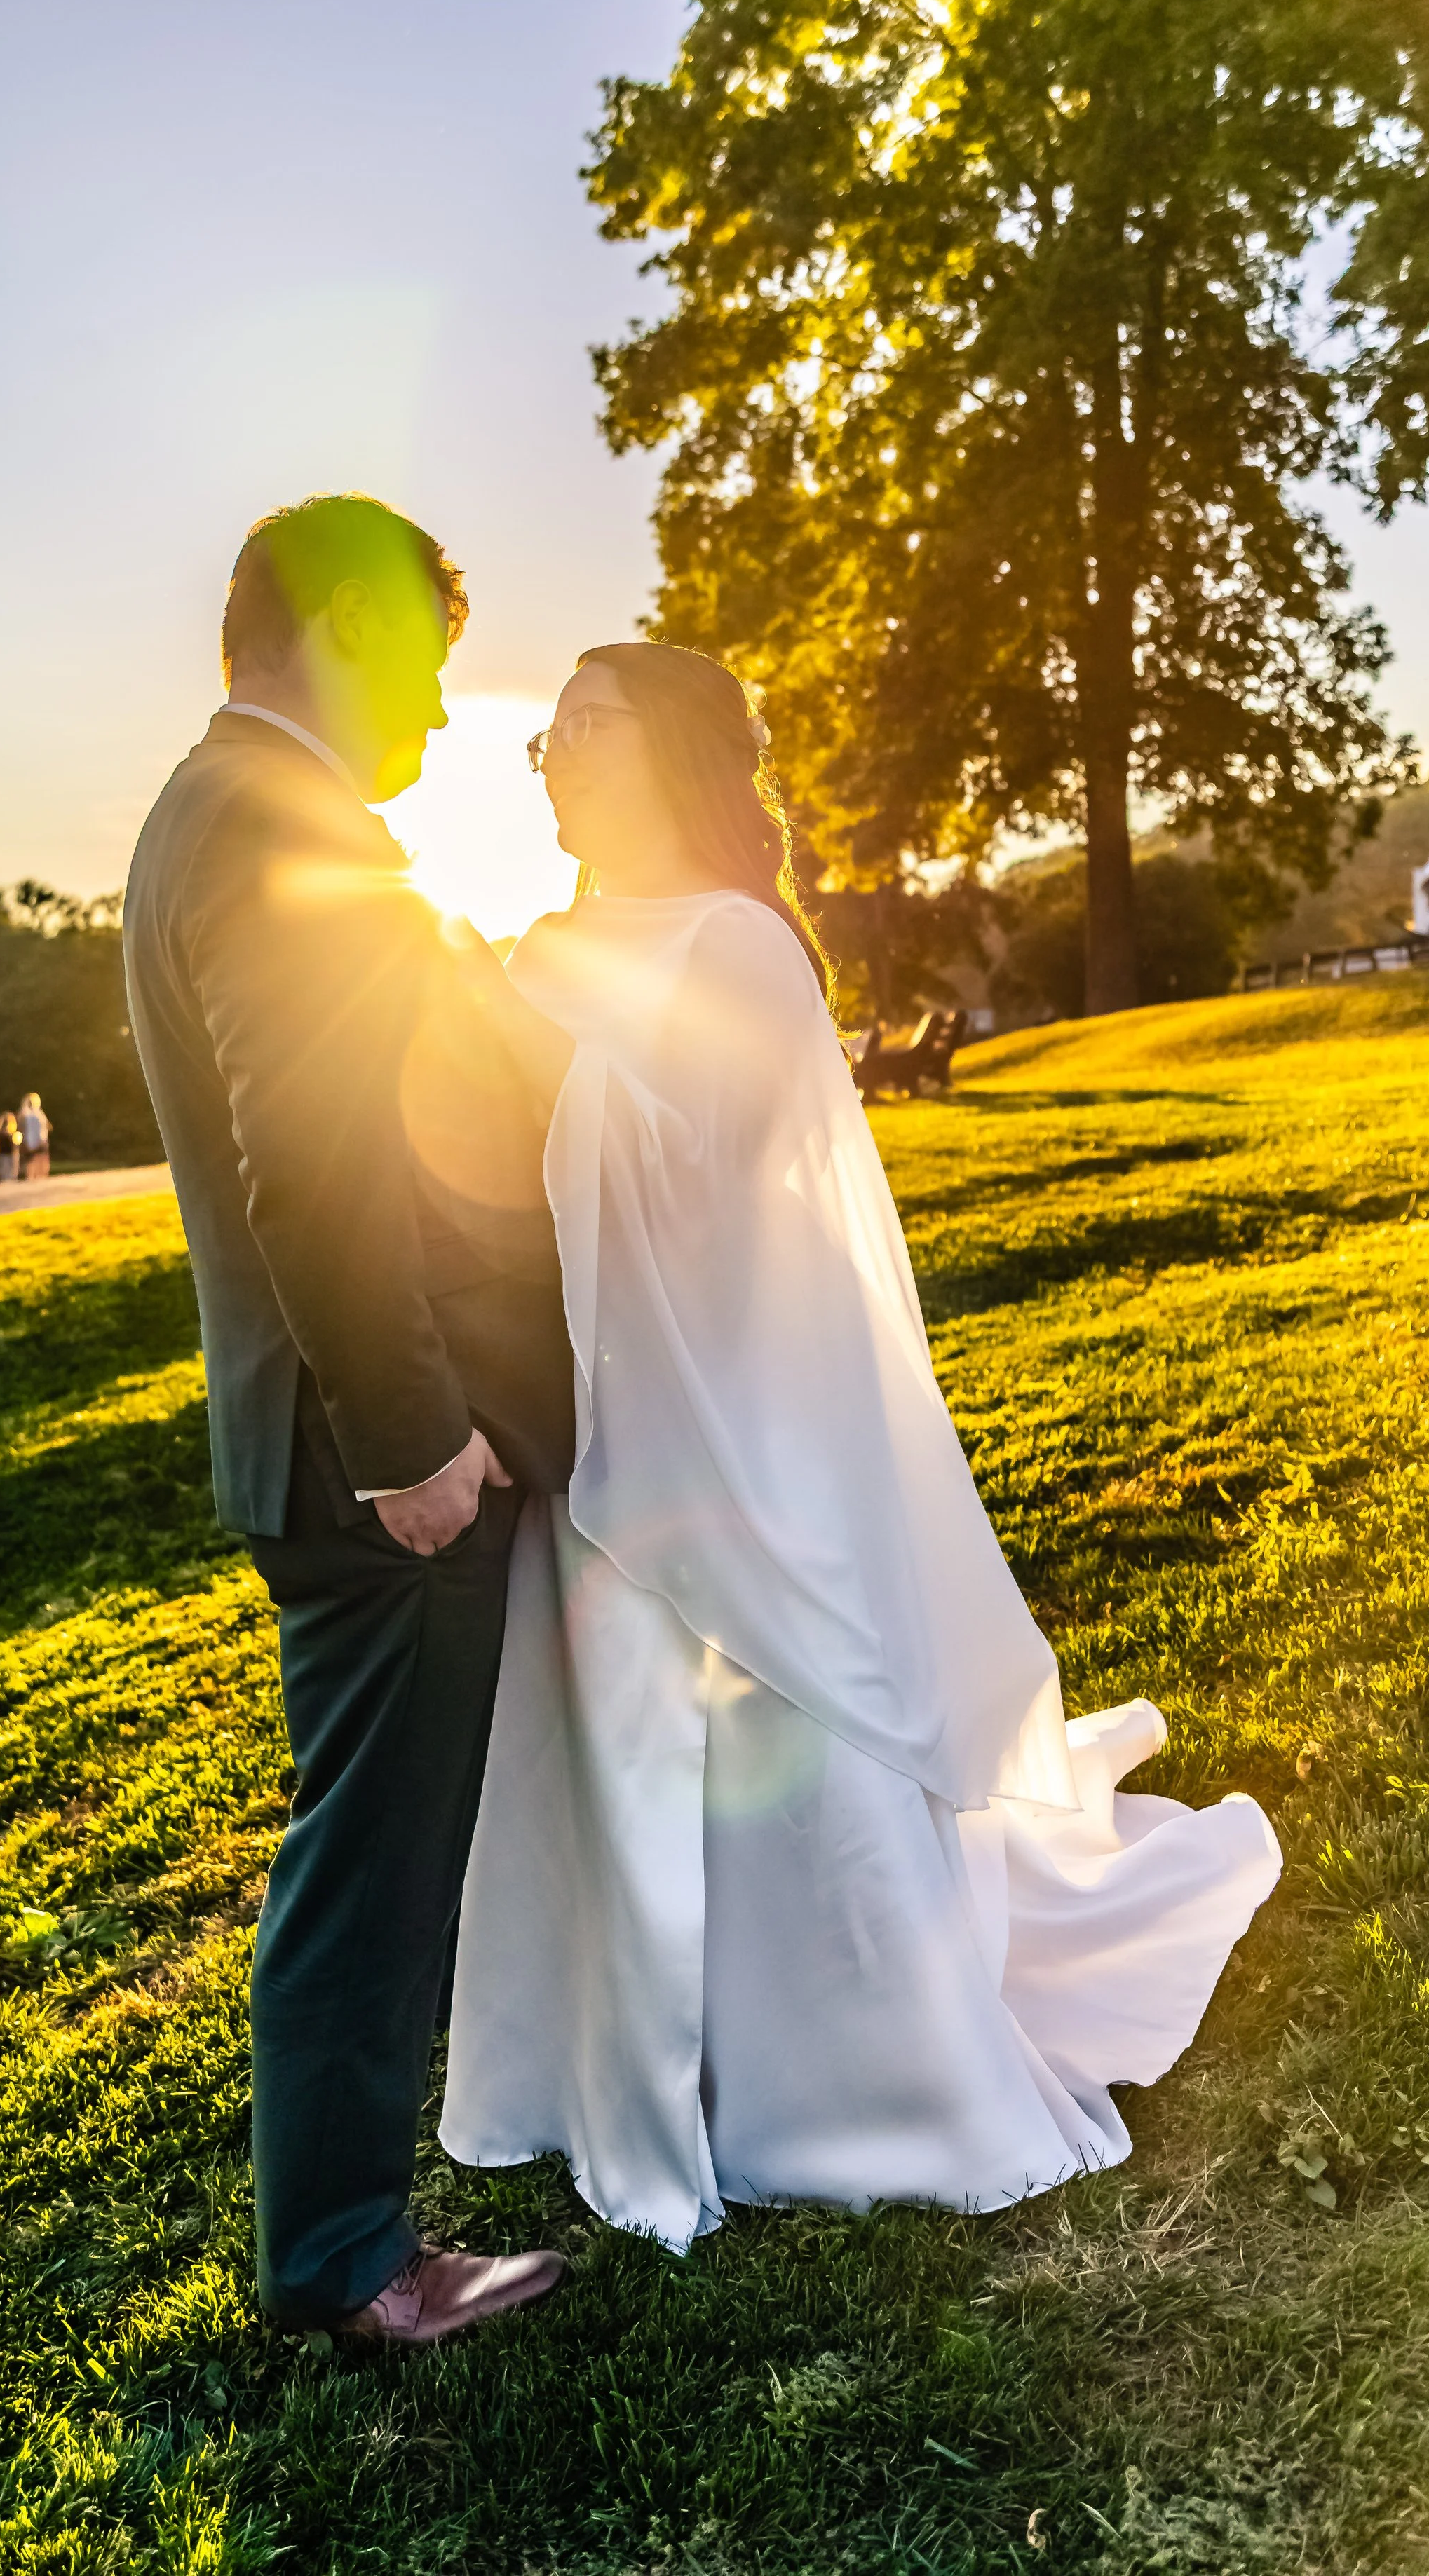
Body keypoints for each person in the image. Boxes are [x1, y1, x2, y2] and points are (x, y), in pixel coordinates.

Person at [438, 641, 1283, 2253]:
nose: (548, 756)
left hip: (731, 1414)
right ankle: (609, 2061)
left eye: (580, 726)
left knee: (778, 1722)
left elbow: (703, 1150)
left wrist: (511, 1035)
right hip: (597, 1407)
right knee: (603, 1726)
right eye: (541, 735)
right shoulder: (556, 940)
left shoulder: (743, 948)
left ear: (668, 748)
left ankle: (849, 2071)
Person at [122, 496, 574, 2347]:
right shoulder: (273, 827)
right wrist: (413, 1438)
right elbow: (307, 1166)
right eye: (427, 666)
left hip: (309, 1432)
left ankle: (339, 2233)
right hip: (371, 1451)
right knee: (371, 1861)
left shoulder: (199, 812)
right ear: (344, 629)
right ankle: (344, 2261)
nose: (440, 716)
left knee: (362, 1840)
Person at [18, 1093, 51, 1180]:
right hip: (36, 1139)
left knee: (35, 1160)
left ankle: (35, 1178)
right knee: (35, 1160)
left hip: (34, 1139)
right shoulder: (38, 1113)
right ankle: (36, 1177)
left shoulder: (32, 1113)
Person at [0, 1108, 21, 1183]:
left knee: (3, 1179)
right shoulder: (12, 1136)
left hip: (0, 1158)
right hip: (9, 1159)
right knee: (9, 1179)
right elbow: (15, 1151)